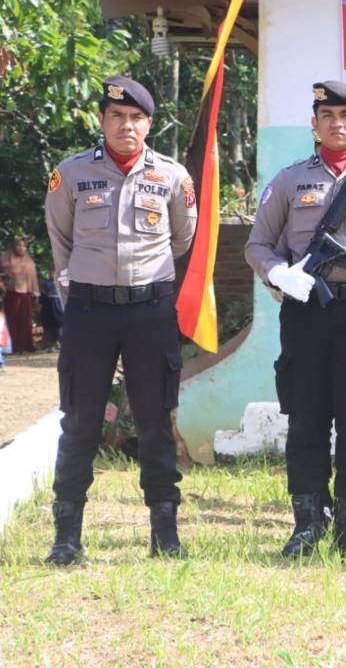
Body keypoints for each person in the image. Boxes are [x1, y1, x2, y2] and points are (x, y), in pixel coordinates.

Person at [245, 81, 346, 564]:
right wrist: (277, 273)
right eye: (327, 114)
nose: (337, 123)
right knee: (307, 419)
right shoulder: (290, 180)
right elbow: (257, 244)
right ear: (313, 123)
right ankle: (307, 522)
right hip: (306, 313)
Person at [43, 76, 197, 564]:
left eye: (136, 119)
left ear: (148, 124)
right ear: (103, 121)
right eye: (117, 117)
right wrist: (84, 289)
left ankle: (164, 534)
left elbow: (181, 239)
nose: (126, 126)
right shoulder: (70, 174)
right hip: (90, 312)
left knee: (155, 422)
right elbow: (60, 242)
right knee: (81, 422)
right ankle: (67, 536)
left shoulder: (172, 177)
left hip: (149, 311)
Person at [0, 237, 40, 353]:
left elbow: (33, 279)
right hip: (9, 295)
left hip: (25, 295)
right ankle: (11, 347)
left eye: (23, 246)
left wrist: (36, 296)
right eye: (18, 245)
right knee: (11, 320)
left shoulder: (29, 262)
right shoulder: (4, 259)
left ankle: (25, 346)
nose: (21, 248)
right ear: (13, 246)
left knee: (25, 320)